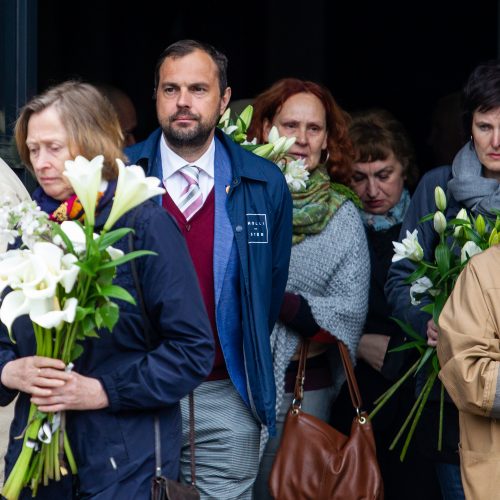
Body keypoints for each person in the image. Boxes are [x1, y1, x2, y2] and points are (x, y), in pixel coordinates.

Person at [0, 80, 214, 498]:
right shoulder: (30, 226)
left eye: (54, 147)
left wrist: (102, 391)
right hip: (37, 459)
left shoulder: (144, 227)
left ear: (93, 142)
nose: (40, 163)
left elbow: (192, 350)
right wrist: (10, 369)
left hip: (125, 465)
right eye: (33, 149)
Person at [125, 40, 293, 499]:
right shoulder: (121, 175)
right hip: (139, 394)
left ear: (223, 99)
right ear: (155, 96)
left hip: (226, 396)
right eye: (171, 88)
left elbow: (268, 288)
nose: (183, 101)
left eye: (198, 89)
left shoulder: (264, 182)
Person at [246, 77, 370, 499]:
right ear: (264, 130)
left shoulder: (343, 215)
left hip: (301, 397)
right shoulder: (238, 199)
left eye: (313, 128)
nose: (300, 139)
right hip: (228, 390)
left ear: (327, 141)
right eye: (289, 125)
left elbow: (347, 314)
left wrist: (276, 299)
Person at [385, 60, 500, 499]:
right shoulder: (440, 187)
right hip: (447, 393)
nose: (496, 141)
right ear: (468, 126)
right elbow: (399, 279)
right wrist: (426, 321)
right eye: (485, 125)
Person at [330, 108, 442, 499]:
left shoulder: (432, 225)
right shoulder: (336, 227)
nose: (373, 191)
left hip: (420, 394)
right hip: (359, 396)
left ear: (405, 168)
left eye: (384, 175)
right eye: (359, 178)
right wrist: (355, 339)